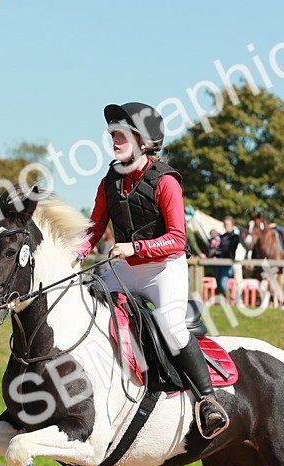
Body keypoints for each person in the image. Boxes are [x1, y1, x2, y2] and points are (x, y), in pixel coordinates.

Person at [80, 101, 229, 439]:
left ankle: (209, 401)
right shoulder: (110, 182)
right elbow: (93, 229)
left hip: (164, 269)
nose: (114, 140)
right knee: (88, 301)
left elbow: (177, 239)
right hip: (127, 270)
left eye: (121, 134)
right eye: (113, 134)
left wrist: (135, 247)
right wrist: (74, 254)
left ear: (143, 142)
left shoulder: (166, 183)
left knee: (172, 327)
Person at [211, 216, 241, 302]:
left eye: (227, 224)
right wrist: (215, 255)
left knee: (223, 284)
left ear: (232, 225)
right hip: (219, 262)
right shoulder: (222, 236)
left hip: (228, 262)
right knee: (219, 284)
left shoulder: (235, 237)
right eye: (225, 224)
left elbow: (231, 249)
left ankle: (228, 302)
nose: (226, 226)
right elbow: (218, 248)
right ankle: (221, 303)